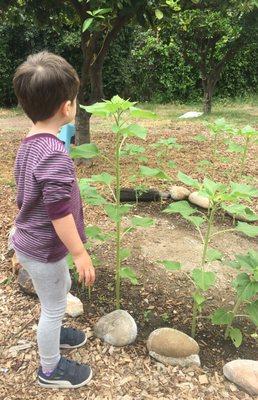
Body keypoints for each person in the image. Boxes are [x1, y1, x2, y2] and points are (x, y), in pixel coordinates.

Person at [12, 51, 95, 389]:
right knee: (53, 303)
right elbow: (59, 214)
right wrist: (79, 253)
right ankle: (50, 370)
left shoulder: (31, 142)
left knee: (57, 293)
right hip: (45, 247)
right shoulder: (54, 155)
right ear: (67, 108)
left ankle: (55, 326)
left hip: (31, 241)